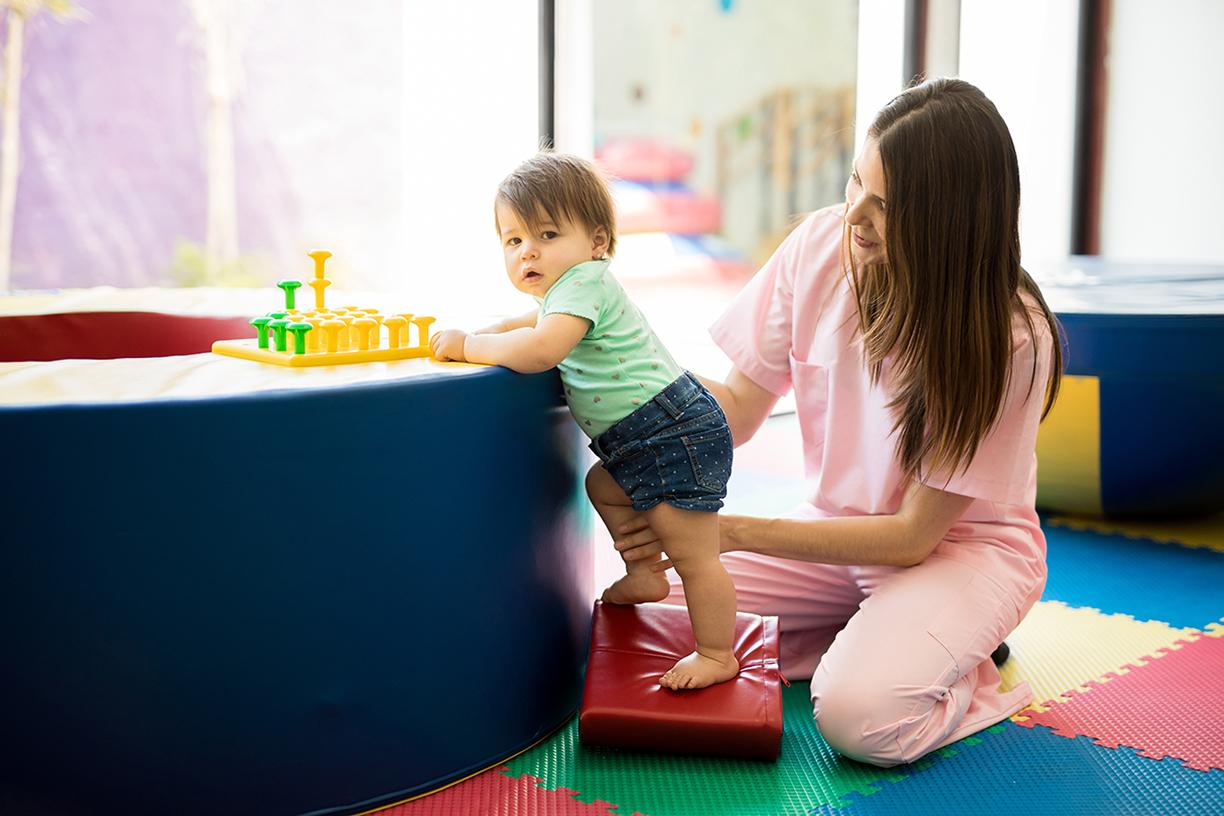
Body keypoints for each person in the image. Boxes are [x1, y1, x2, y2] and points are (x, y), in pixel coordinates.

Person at [612, 77, 1064, 766]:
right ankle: (877, 636)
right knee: (643, 615)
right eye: (857, 183)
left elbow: (914, 537)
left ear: (949, 222)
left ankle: (968, 669)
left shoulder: (1010, 336)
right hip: (836, 531)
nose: (856, 216)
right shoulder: (820, 245)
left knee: (861, 720)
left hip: (958, 551)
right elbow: (731, 414)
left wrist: (726, 533)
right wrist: (621, 367)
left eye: (888, 207)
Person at [430, 152, 740, 690]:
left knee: (695, 554)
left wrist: (469, 346)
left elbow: (541, 348)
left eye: (547, 234)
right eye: (513, 240)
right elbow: (527, 322)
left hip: (670, 430)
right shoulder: (565, 293)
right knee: (604, 485)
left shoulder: (584, 284)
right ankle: (644, 572)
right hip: (640, 437)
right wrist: (491, 325)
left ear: (596, 243)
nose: (528, 250)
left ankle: (717, 654)